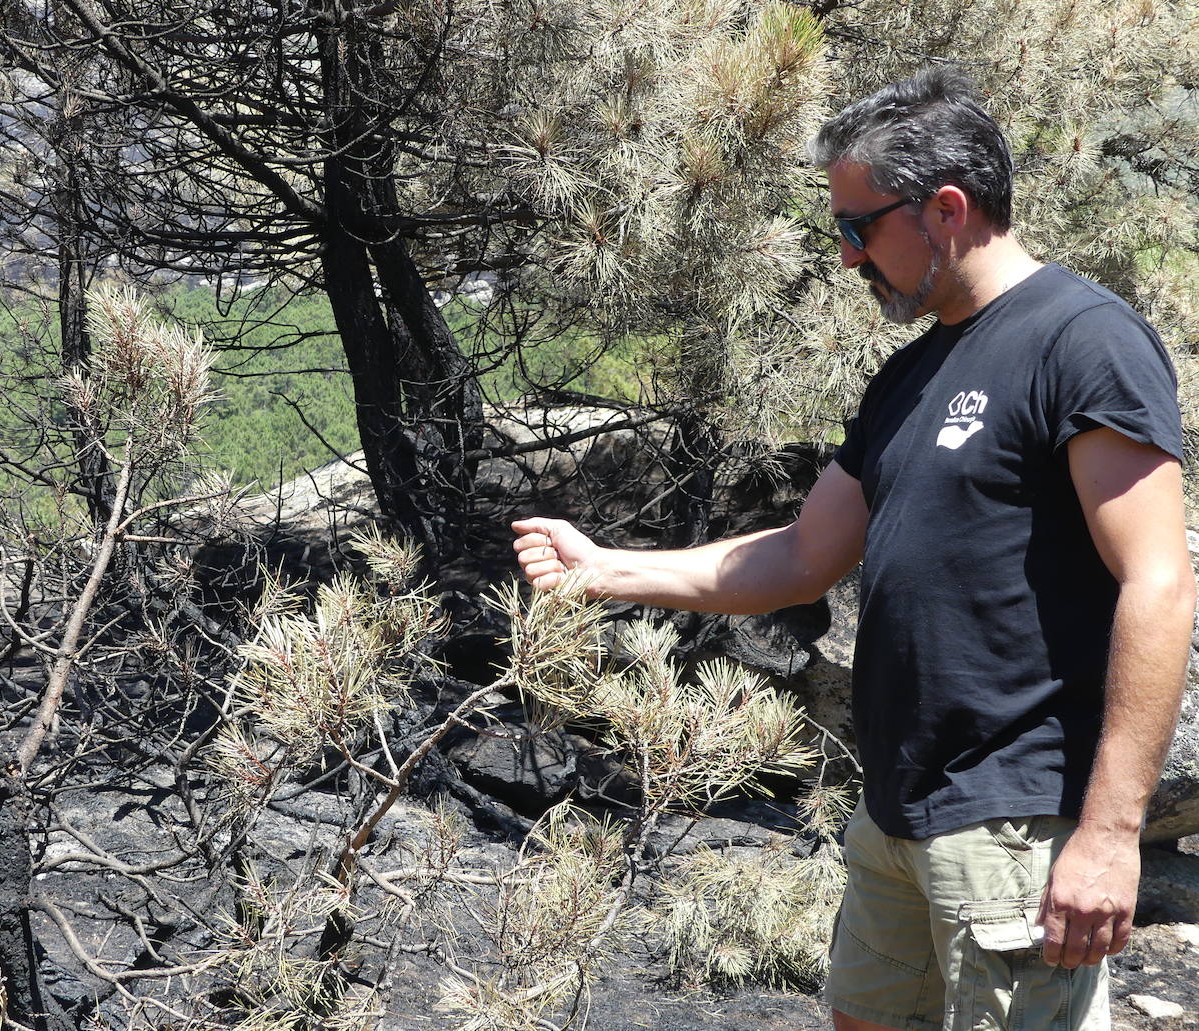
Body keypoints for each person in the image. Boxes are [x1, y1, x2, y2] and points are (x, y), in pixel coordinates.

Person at [512, 65, 1195, 1031]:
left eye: (856, 226)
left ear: (946, 209)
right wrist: (605, 570)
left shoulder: (1084, 340)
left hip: (1015, 814)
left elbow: (1159, 584)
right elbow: (799, 557)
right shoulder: (909, 375)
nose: (845, 258)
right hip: (898, 809)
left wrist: (1111, 833)